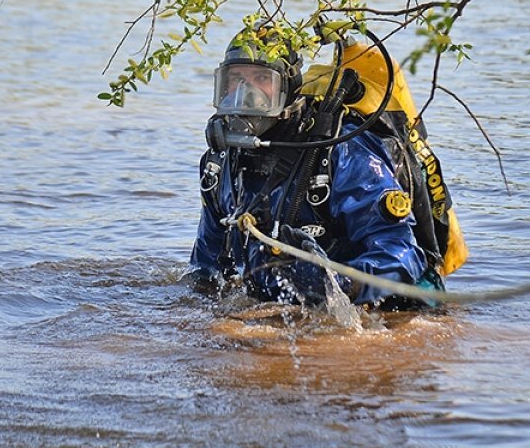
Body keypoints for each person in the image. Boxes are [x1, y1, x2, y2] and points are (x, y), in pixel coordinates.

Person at [188, 26, 466, 309]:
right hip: (284, 312)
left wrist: (340, 285)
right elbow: (207, 266)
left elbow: (402, 253)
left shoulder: (341, 152)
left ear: (289, 86)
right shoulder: (221, 164)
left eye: (262, 79)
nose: (246, 94)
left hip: (382, 312)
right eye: (236, 79)